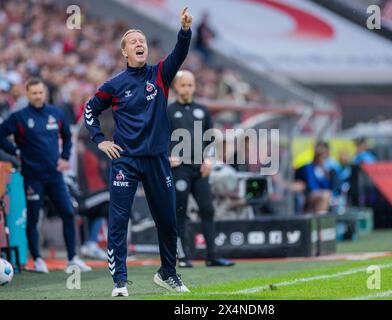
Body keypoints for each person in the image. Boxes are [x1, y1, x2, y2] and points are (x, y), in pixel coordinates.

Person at [83, 8, 193, 297]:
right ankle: (120, 281)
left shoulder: (160, 74)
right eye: (132, 41)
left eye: (141, 39)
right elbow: (90, 109)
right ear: (124, 52)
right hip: (126, 161)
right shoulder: (114, 85)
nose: (139, 43)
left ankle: (167, 272)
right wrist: (100, 140)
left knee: (168, 220)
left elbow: (180, 54)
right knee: (118, 222)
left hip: (157, 160)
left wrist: (184, 31)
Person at [0, 78, 91, 274]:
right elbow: (1, 134)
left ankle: (72, 258)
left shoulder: (56, 114)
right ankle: (38, 259)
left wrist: (65, 157)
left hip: (55, 175)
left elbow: (67, 136)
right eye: (34, 93)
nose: (38, 96)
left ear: (45, 93)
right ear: (28, 94)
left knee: (68, 212)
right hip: (32, 176)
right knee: (33, 218)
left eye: (41, 92)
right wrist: (14, 150)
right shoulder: (19, 117)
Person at [167, 70, 235, 268]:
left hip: (200, 168)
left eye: (190, 85)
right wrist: (167, 156)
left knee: (207, 209)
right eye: (183, 85)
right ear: (176, 87)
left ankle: (212, 255)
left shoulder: (202, 110)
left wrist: (209, 160)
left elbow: (210, 138)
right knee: (180, 212)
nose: (186, 88)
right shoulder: (169, 111)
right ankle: (182, 256)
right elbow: (160, 136)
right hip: (180, 168)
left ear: (194, 87)